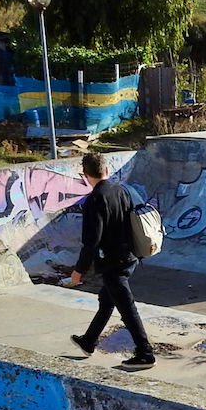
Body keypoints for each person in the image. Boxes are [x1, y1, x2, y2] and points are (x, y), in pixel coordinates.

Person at [68, 152, 155, 370]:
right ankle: (89, 341)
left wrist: (79, 270)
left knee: (127, 306)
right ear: (107, 170)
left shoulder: (95, 200)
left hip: (113, 263)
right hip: (130, 257)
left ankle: (145, 353)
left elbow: (92, 241)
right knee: (107, 300)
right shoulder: (121, 190)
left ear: (85, 175)